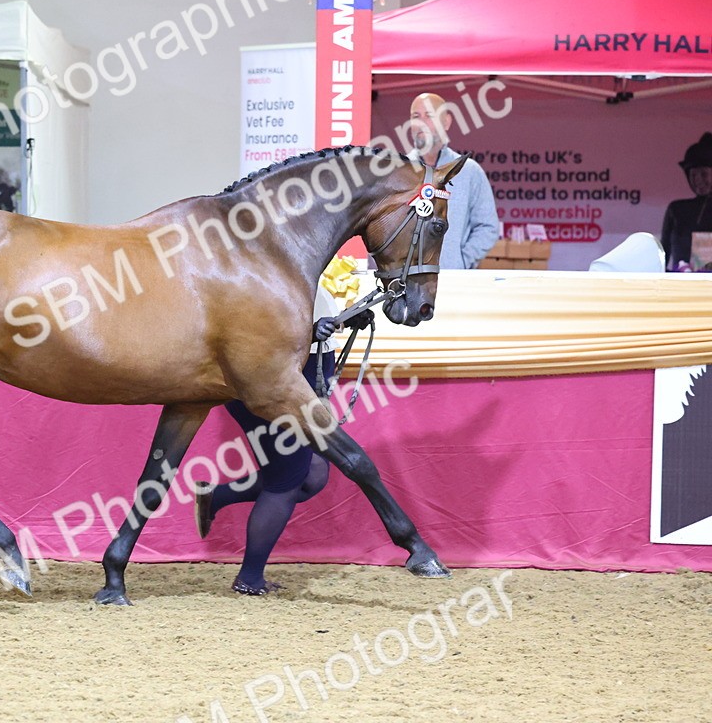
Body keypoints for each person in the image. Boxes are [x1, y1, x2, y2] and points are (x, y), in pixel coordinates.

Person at [195, 286, 373, 595]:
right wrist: (306, 332)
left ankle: (218, 496)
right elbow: (252, 322)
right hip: (272, 376)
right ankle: (249, 579)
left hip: (313, 364)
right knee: (288, 480)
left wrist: (343, 319)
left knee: (314, 475)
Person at [406, 93, 500, 268]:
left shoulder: (469, 171)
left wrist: (461, 262)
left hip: (452, 281)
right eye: (415, 116)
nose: (421, 122)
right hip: (404, 283)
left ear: (446, 122)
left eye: (429, 116)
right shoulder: (397, 171)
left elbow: (488, 227)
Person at [661, 132, 712, 271]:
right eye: (693, 174)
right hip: (681, 285)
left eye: (703, 174)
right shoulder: (676, 210)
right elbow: (663, 253)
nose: (698, 180)